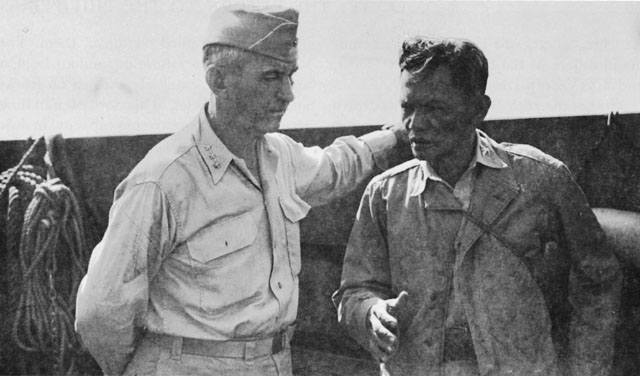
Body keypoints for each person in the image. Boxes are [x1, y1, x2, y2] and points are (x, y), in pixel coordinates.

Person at [74, 5, 405, 376]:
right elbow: (101, 312)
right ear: (218, 80)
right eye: (271, 77)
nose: (288, 94)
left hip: (274, 363)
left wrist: (392, 136)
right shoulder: (164, 179)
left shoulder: (279, 156)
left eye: (290, 76)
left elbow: (332, 168)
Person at [332, 36, 621, 376]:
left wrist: (586, 367)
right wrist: (371, 313)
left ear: (479, 109)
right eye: (407, 107)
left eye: (434, 108)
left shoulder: (540, 179)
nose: (414, 123)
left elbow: (598, 278)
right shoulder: (385, 194)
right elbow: (353, 290)